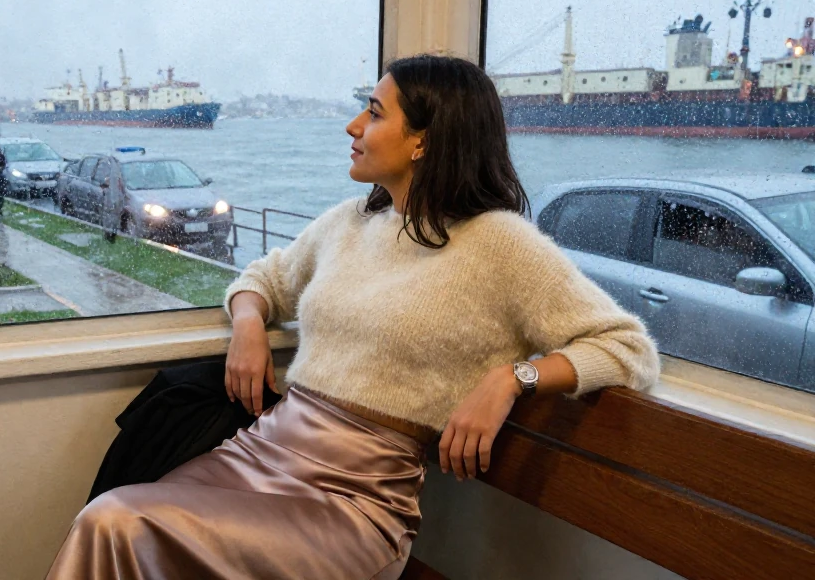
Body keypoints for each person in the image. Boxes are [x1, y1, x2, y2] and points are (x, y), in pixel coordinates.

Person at [46, 55, 660, 579]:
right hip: (257, 453)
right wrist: (250, 325)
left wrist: (511, 379)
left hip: (352, 501)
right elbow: (261, 279)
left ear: (425, 138)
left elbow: (627, 346)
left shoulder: (499, 243)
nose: (354, 125)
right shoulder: (353, 221)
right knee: (117, 516)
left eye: (374, 111)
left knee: (114, 521)